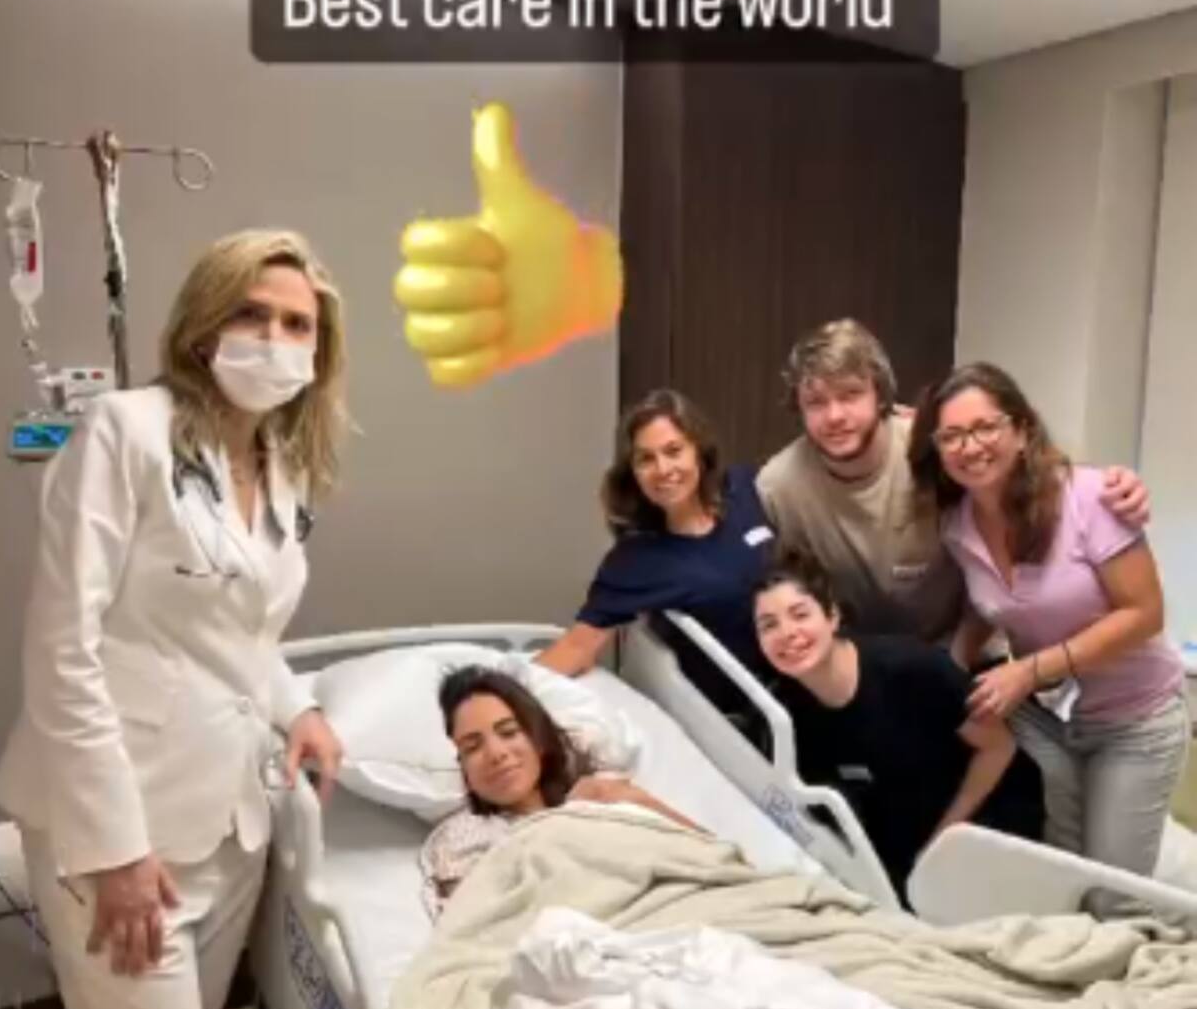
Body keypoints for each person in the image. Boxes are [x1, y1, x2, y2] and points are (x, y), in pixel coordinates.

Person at [0, 230, 347, 1009]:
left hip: (226, 823)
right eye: (254, 313)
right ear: (203, 323)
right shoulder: (124, 432)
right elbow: (64, 648)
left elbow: (241, 636)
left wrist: (299, 707)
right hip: (120, 837)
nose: (275, 339)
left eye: (297, 325)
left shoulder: (278, 463)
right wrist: (112, 849)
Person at [908, 362, 1190, 877]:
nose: (970, 447)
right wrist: (953, 667)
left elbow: (1145, 614)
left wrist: (1029, 670)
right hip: (1052, 716)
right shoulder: (957, 525)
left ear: (1021, 431)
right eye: (952, 436)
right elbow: (989, 604)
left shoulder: (1091, 498)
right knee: (1061, 873)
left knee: (1111, 893)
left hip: (1136, 718)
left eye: (985, 427)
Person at [757, 318, 1151, 640]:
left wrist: (1114, 485)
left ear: (881, 396)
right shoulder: (778, 487)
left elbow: (1024, 469)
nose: (835, 416)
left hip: (965, 646)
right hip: (860, 664)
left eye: (850, 395)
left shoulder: (931, 446)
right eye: (816, 402)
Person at [752, 555, 1044, 903]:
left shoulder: (910, 670)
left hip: (983, 810)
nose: (787, 633)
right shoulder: (785, 712)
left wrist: (944, 839)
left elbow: (998, 748)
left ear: (832, 616)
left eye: (800, 614)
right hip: (906, 830)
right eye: (769, 625)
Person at [536, 389, 777, 699]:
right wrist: (501, 694)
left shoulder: (745, 488)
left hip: (809, 665)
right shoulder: (637, 561)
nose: (663, 469)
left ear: (698, 451)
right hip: (751, 707)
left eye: (674, 451)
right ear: (633, 472)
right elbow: (577, 647)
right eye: (646, 459)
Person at [422, 666, 702, 915]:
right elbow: (475, 926)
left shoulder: (601, 792)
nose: (496, 753)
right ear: (463, 769)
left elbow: (708, 853)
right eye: (472, 747)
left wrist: (636, 800)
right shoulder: (462, 837)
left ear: (538, 739)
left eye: (508, 732)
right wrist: (566, 825)